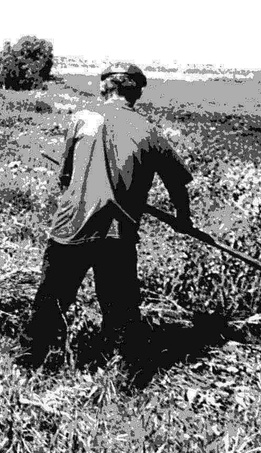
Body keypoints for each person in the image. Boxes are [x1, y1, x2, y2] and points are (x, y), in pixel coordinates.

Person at [18, 64, 195, 370]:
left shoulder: (81, 120)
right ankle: (127, 372)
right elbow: (178, 183)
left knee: (50, 300)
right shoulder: (150, 132)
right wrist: (183, 219)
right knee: (121, 310)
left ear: (104, 88)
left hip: (71, 226)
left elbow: (66, 178)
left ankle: (29, 362)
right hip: (117, 232)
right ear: (136, 92)